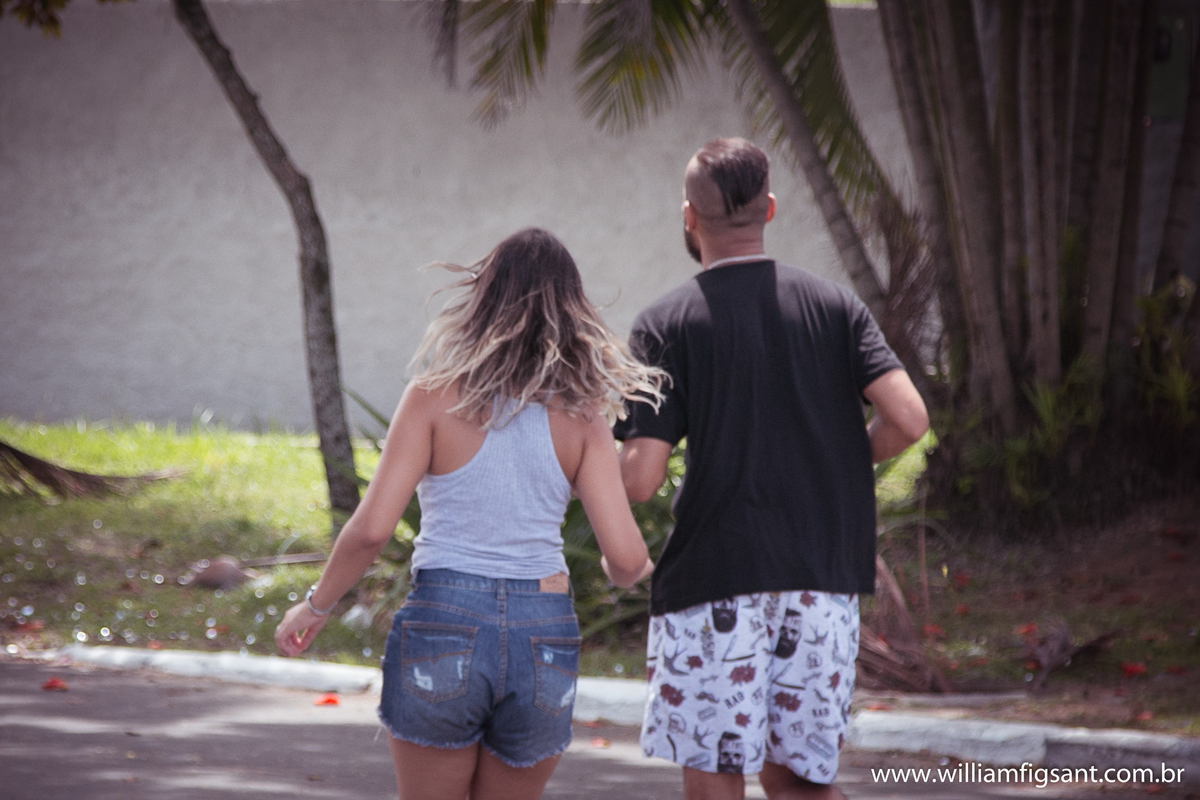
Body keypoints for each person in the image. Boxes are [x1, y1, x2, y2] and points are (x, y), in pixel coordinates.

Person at [274, 228, 662, 800]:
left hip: (443, 618)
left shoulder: (433, 397)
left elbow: (373, 528)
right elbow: (628, 560)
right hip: (544, 629)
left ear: (482, 301)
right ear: (573, 313)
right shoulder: (583, 420)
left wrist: (316, 605)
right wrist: (616, 574)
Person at [614, 138, 930, 800]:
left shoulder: (665, 323)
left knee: (715, 778)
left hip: (714, 580)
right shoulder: (834, 307)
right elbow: (909, 419)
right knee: (797, 780)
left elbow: (640, 479)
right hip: (820, 580)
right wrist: (838, 458)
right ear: (771, 208)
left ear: (689, 217)